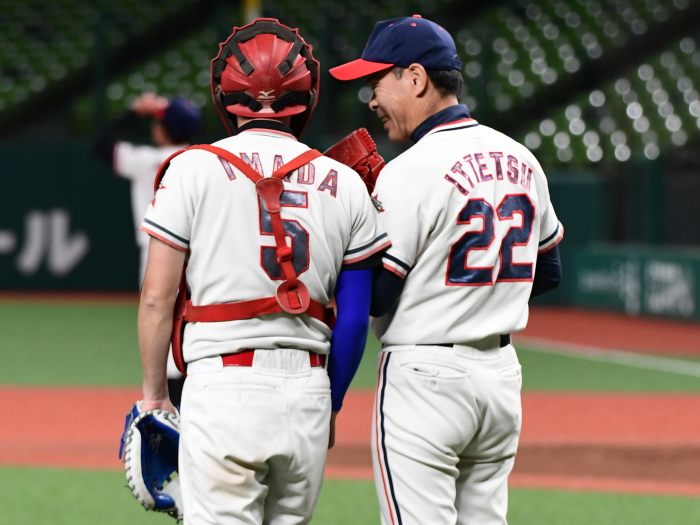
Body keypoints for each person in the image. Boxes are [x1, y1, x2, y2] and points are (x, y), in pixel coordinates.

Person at [137, 18, 389, 525]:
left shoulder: (191, 167)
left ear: (225, 95)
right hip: (309, 391)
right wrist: (331, 403)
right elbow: (354, 320)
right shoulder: (345, 182)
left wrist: (156, 397)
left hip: (223, 389)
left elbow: (156, 298)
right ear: (306, 96)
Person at [330, 15, 563, 525]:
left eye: (377, 81)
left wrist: (351, 231)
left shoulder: (408, 172)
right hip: (500, 381)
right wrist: (476, 301)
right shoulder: (522, 158)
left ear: (415, 78)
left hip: (425, 379)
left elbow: (377, 297)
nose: (371, 99)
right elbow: (547, 273)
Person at [93, 94, 201, 405]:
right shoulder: (203, 160)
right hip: (202, 258)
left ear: (162, 129)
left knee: (161, 331)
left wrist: (134, 112)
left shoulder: (145, 161)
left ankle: (170, 413)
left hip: (157, 256)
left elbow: (101, 145)